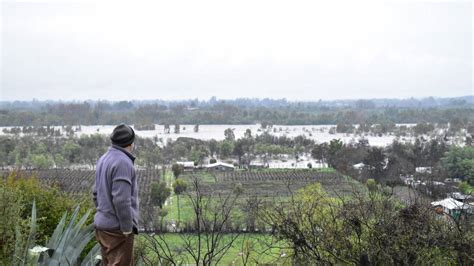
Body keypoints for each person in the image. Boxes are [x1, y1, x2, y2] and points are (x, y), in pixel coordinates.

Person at [93, 124, 139, 265]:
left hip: (102, 227)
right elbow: (121, 200)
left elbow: (95, 193)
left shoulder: (104, 159)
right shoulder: (123, 162)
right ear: (131, 143)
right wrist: (126, 228)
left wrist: (104, 213)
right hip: (117, 230)